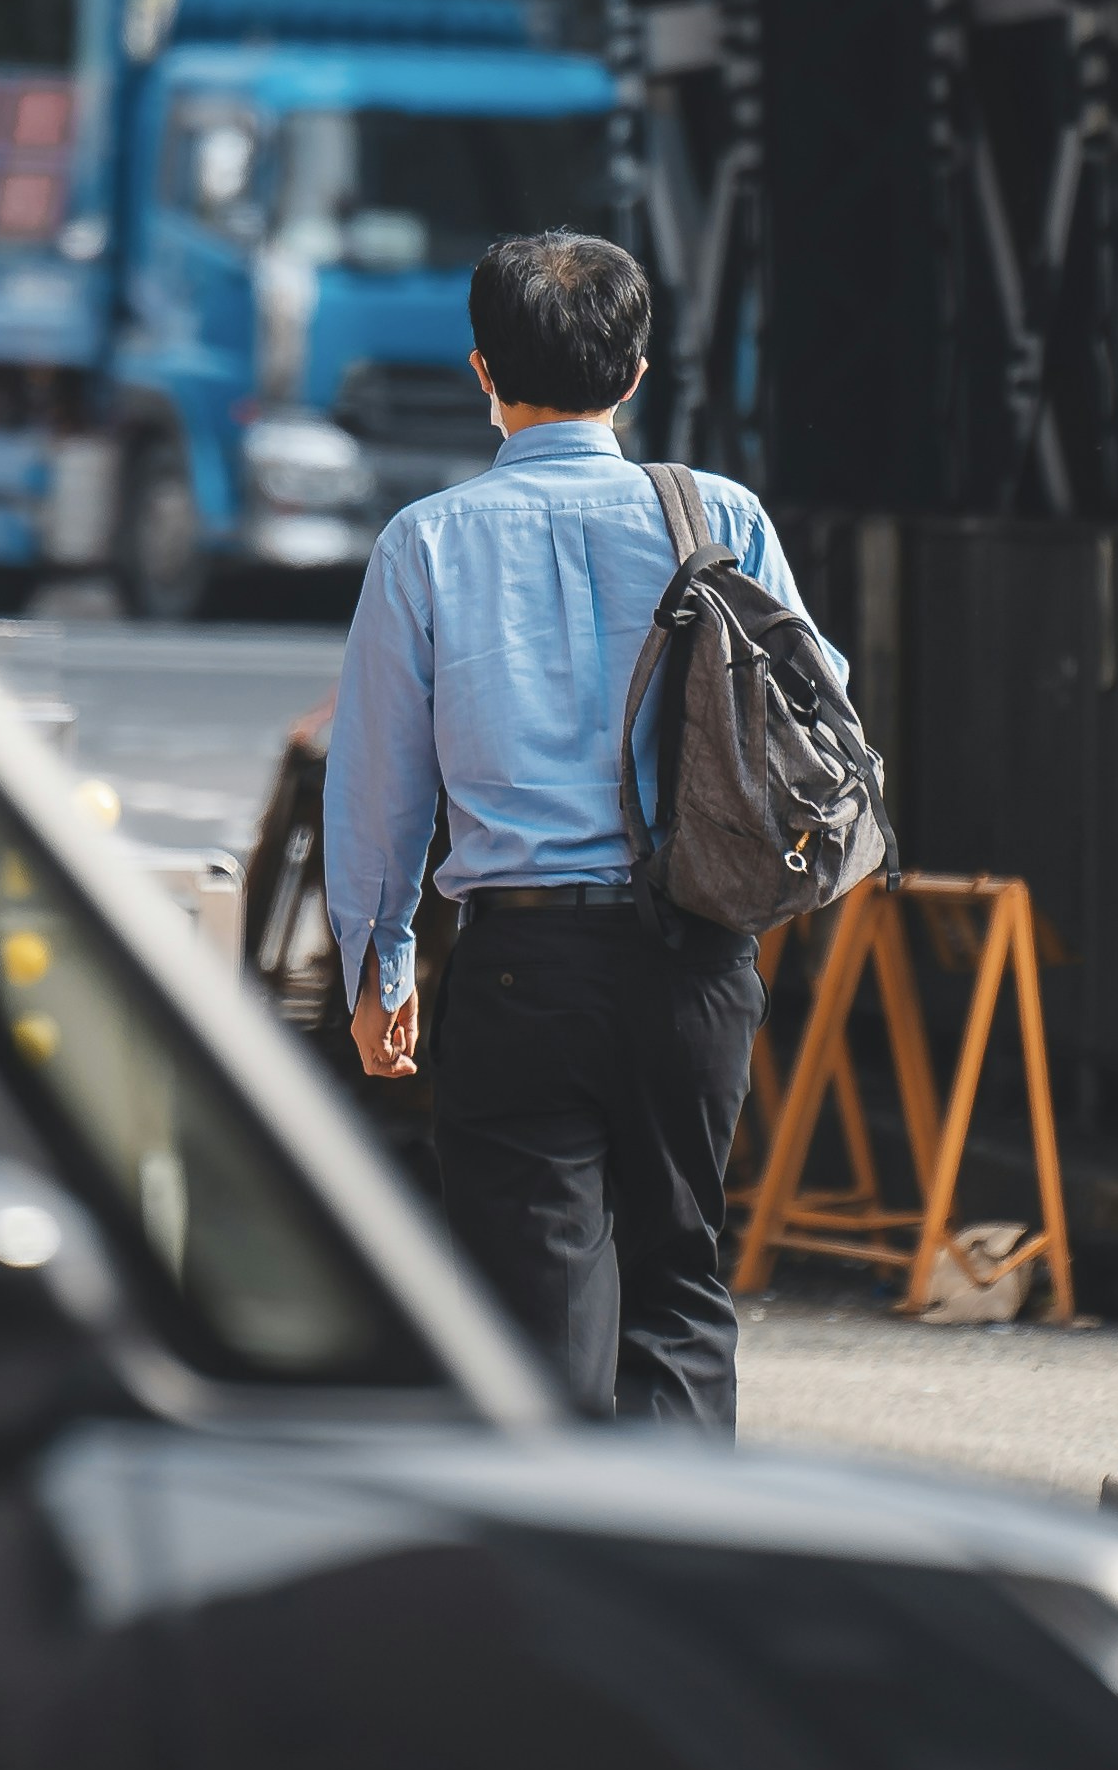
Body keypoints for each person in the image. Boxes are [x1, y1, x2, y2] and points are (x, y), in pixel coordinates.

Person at [321, 229, 829, 1431]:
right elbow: (817, 707)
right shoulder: (723, 517)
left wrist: (375, 961)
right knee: (680, 1282)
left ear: (481, 370)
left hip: (520, 964)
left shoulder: (425, 542)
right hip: (695, 961)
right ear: (636, 375)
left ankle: (563, 1581)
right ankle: (681, 1584)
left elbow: (378, 779)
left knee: (536, 1314)